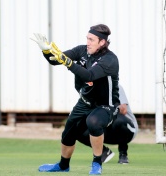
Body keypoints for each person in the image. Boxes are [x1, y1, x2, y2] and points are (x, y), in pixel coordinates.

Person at [31, 24, 120, 175]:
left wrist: (68, 63)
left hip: (105, 105)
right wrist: (46, 50)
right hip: (84, 102)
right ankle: (63, 165)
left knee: (93, 122)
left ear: (102, 42)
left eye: (92, 39)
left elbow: (89, 75)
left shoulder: (110, 60)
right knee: (68, 133)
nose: (88, 42)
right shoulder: (82, 50)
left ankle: (97, 163)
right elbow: (55, 60)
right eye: (87, 38)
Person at [76, 84, 138, 164]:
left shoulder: (115, 86)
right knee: (76, 129)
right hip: (107, 129)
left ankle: (123, 154)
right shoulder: (91, 90)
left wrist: (106, 108)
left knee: (117, 119)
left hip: (128, 129)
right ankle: (104, 152)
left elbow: (123, 110)